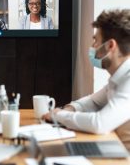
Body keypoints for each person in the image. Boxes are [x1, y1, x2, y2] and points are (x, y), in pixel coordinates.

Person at [42, 10, 130, 147]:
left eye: (95, 40)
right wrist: (69, 109)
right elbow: (93, 102)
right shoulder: (118, 78)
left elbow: (100, 124)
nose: (92, 47)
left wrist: (59, 115)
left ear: (110, 46)